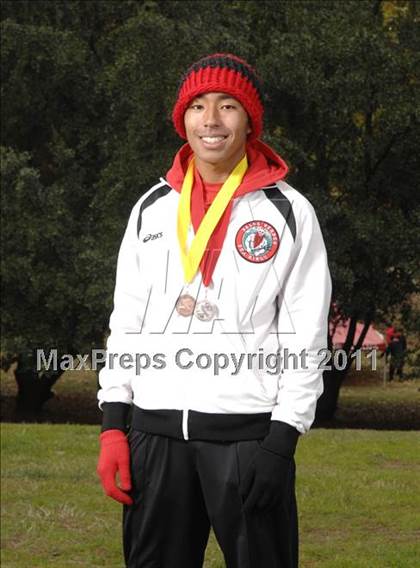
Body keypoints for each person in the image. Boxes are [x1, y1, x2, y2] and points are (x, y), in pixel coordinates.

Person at [96, 53, 332, 568]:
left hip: (246, 439)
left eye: (228, 106)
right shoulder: (151, 207)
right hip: (154, 438)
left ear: (249, 120)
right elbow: (126, 323)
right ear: (182, 119)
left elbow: (306, 336)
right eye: (198, 106)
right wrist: (115, 424)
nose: (211, 120)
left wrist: (282, 439)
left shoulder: (288, 211)